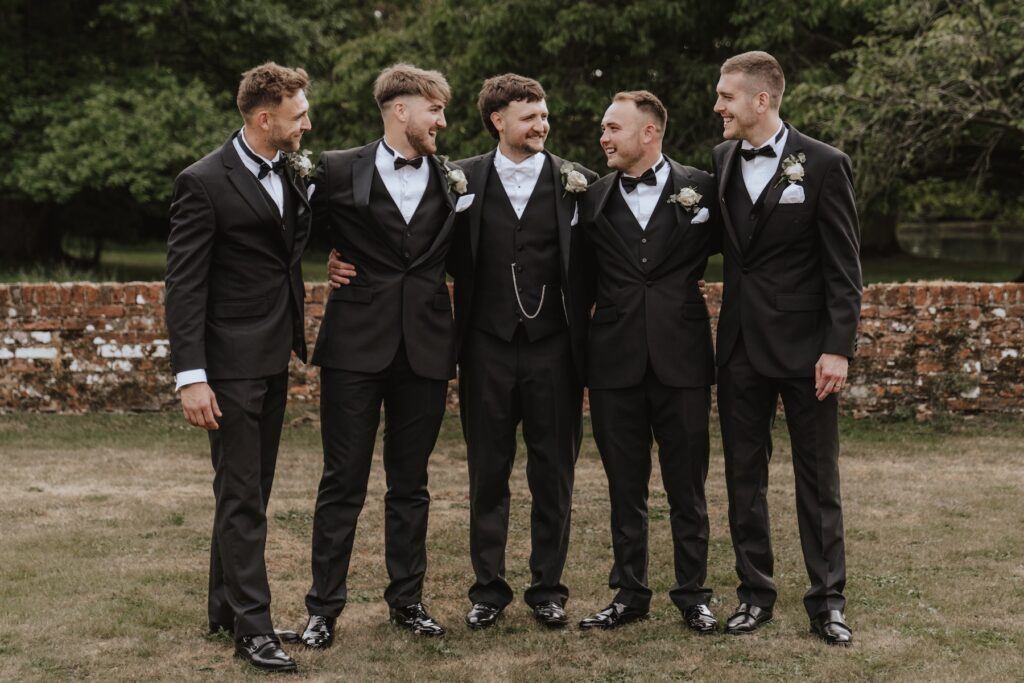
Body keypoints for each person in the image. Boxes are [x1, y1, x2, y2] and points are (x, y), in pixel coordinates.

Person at [300, 64, 467, 648]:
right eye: (435, 110)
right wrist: (327, 259)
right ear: (402, 110)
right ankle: (323, 609)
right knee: (341, 480)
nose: (442, 122)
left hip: (426, 347)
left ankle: (408, 602)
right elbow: (295, 230)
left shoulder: (453, 178)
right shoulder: (336, 169)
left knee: (411, 483)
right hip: (353, 347)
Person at [165, 62, 313, 673]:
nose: (307, 125)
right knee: (243, 497)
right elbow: (184, 286)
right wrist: (191, 376)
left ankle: (226, 609)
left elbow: (284, 252)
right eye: (298, 115)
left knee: (246, 490)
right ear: (264, 117)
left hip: (272, 356)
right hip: (227, 366)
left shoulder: (290, 170)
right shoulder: (203, 181)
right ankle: (253, 630)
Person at [711, 51, 862, 645]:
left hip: (807, 353)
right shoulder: (722, 159)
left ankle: (827, 603)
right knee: (743, 478)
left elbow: (844, 269)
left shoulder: (824, 164)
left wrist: (837, 348)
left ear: (761, 100)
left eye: (726, 96)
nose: (718, 106)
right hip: (739, 348)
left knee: (817, 479)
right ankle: (754, 595)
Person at [447, 74, 597, 630]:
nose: (542, 125)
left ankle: (548, 589)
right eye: (530, 117)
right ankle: (487, 590)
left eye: (544, 115)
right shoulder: (459, 179)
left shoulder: (579, 182)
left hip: (554, 349)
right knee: (487, 473)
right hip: (484, 346)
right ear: (498, 121)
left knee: (553, 474)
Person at [576, 91, 720, 633]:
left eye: (613, 128)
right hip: (613, 361)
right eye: (604, 128)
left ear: (649, 133)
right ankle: (629, 594)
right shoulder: (590, 197)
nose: (603, 138)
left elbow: (750, 251)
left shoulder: (704, 188)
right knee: (624, 487)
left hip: (683, 359)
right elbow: (573, 273)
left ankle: (693, 595)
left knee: (688, 487)